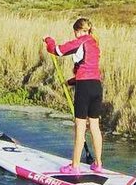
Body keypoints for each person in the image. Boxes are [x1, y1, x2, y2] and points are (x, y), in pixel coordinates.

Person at [44, 18, 104, 175]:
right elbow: (90, 68)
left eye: (76, 31)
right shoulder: (95, 44)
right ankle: (98, 164)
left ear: (77, 31)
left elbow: (56, 50)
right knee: (95, 126)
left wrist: (48, 40)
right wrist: (71, 81)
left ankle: (74, 166)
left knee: (80, 127)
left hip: (84, 87)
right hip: (97, 86)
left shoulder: (80, 41)